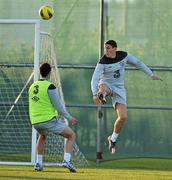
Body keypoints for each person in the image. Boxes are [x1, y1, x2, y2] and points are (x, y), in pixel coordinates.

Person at [91, 40, 162, 154]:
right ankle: (101, 95)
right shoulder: (102, 62)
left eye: (108, 48)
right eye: (105, 48)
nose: (106, 51)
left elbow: (138, 63)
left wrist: (151, 74)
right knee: (102, 86)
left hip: (119, 88)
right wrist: (95, 94)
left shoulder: (124, 56)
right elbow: (94, 79)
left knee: (123, 117)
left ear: (115, 48)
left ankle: (112, 139)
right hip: (106, 85)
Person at [28, 62, 77, 172]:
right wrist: (70, 118)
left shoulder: (32, 86)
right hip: (48, 120)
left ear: (40, 72)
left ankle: (38, 163)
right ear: (50, 72)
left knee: (43, 135)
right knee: (71, 135)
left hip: (35, 121)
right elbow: (59, 107)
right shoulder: (50, 86)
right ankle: (66, 161)